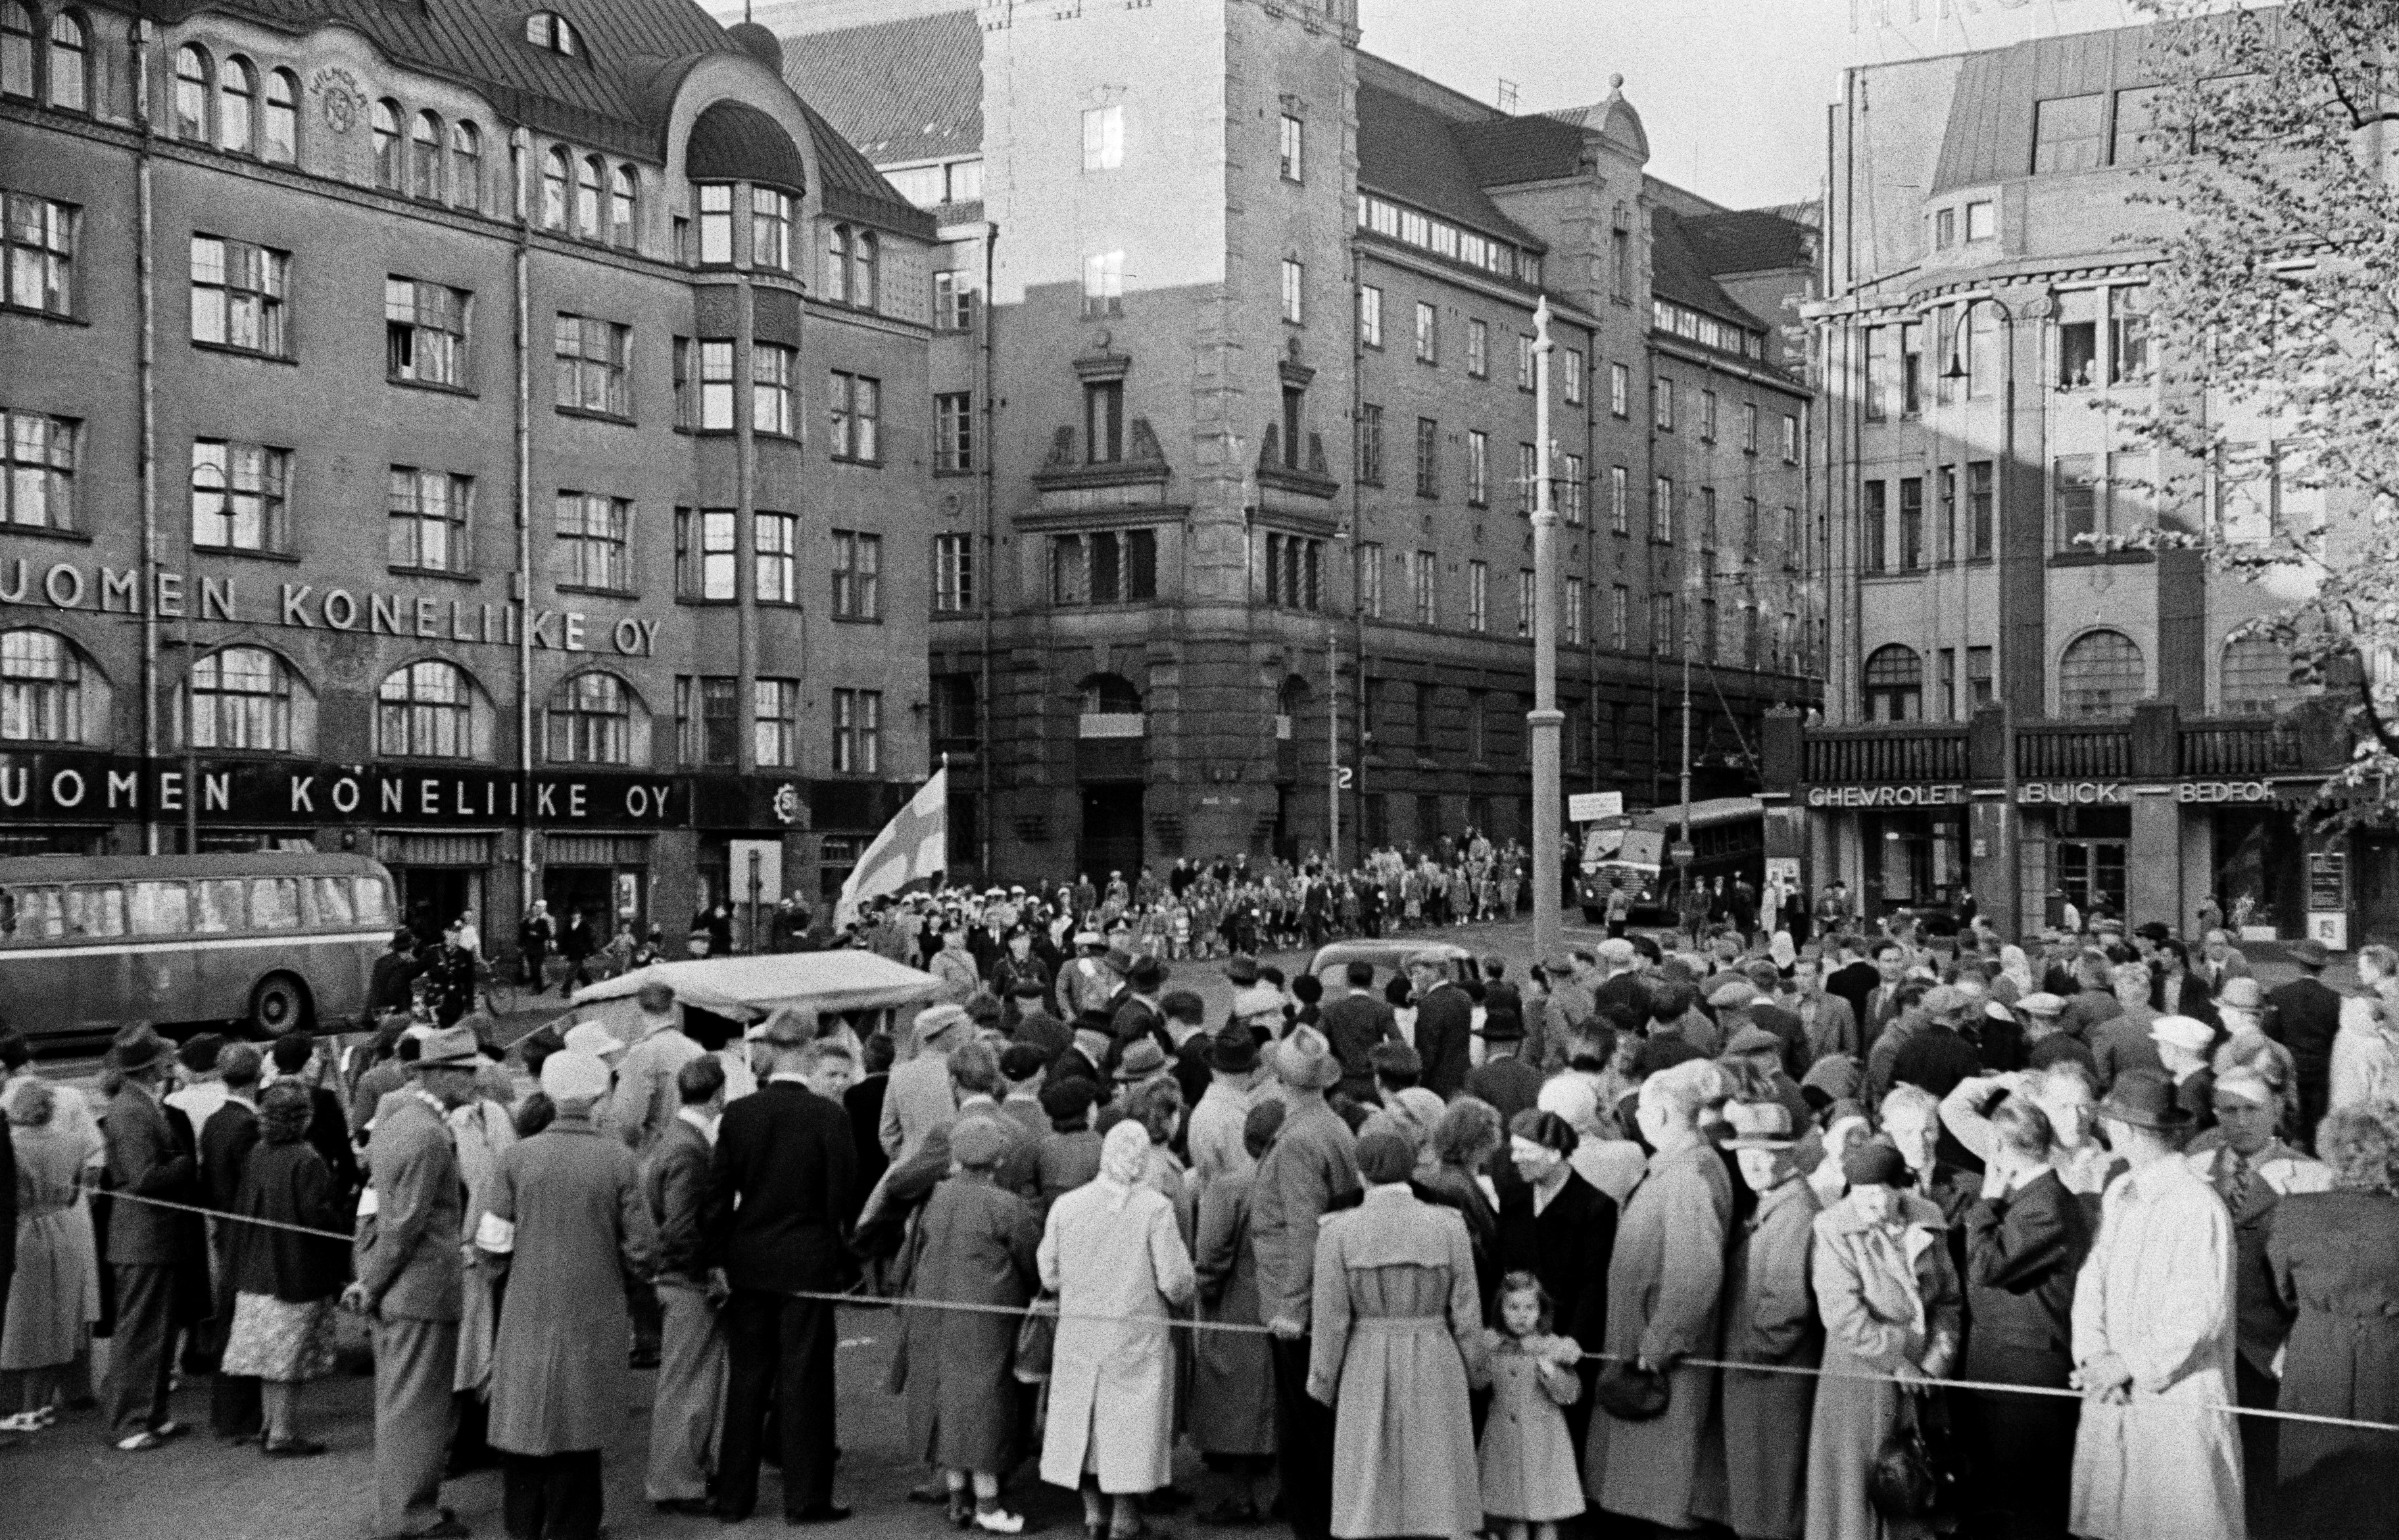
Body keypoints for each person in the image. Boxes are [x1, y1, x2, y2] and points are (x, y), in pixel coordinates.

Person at [2067, 1069, 2244, 1540]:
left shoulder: (2196, 1204)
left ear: (2124, 1130)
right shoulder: (2121, 1192)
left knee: (2175, 1520)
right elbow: (2092, 1282)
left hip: (2176, 1397)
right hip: (2114, 1392)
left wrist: (2127, 1365)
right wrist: (2094, 1358)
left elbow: (2200, 1316)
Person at [705, 1026, 859, 1525]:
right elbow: (843, 1195)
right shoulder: (829, 1116)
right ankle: (806, 1496)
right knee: (805, 1377)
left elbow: (718, 1194)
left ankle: (733, 1496)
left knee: (747, 1379)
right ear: (810, 1055)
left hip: (750, 1256)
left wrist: (716, 1257)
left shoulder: (740, 1114)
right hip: (807, 1258)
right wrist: (841, 1252)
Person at [1307, 1130, 1484, 1540]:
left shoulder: (1338, 1231)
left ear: (1362, 1173)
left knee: (1370, 1466)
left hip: (1367, 1353)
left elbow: (1332, 1319)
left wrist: (1322, 1381)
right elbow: (1467, 1310)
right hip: (1435, 1351)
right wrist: (1478, 1370)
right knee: (1436, 1468)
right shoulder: (1448, 1225)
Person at [1586, 1060, 1735, 1532]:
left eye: (1645, 1109)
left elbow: (1695, 1274)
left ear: (1665, 1114)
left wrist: (1658, 1345)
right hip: (1646, 1352)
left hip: (1659, 1365)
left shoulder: (1688, 1174)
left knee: (1660, 1500)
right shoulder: (1680, 1166)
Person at [350, 1024, 483, 1540]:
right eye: (464, 1071)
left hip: (406, 1287)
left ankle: (402, 1509)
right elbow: (403, 1225)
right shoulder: (428, 1133)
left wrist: (369, 1278)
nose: (474, 1079)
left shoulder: (397, 1118)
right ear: (437, 1074)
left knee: (401, 1403)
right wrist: (373, 1284)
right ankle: (411, 1517)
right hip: (421, 1288)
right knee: (419, 1408)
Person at [1040, 1120, 1197, 1540]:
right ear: (1143, 1159)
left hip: (1080, 1334)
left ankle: (1094, 1517)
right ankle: (1126, 1518)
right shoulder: (1154, 1208)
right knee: (1130, 1424)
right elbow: (1176, 1282)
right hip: (1136, 1335)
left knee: (1082, 1424)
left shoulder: (1067, 1206)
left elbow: (1049, 1275)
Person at [1805, 1137, 1964, 1540]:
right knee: (1857, 1491)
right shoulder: (1834, 1228)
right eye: (1861, 1195)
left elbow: (1948, 1301)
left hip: (1923, 1380)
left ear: (1900, 1189)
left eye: (1880, 1194)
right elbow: (1842, 1314)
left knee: (1916, 1478)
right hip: (1861, 1378)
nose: (1871, 1205)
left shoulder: (1928, 1219)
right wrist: (1896, 1361)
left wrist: (1934, 1363)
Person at [896, 1115, 1040, 1534]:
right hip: (986, 1319)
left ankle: (958, 1496)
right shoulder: (1006, 1205)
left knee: (942, 1400)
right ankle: (988, 1503)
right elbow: (1030, 1264)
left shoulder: (934, 1197)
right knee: (984, 1406)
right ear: (997, 1157)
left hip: (933, 1312)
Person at [2262, 1101, 2399, 1540]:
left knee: (2311, 1485)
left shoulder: (2294, 1212)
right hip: (2388, 1356)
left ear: (2328, 1153)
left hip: (2316, 1354)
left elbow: (2279, 1291)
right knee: (2381, 1493)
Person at [1960, 1094, 2093, 1540]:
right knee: (2004, 1506)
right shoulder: (2036, 1198)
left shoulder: (2046, 1205)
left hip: (2027, 1377)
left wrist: (1988, 1201)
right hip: (2004, 1370)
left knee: (2029, 1511)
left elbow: (1986, 1266)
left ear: (1999, 1147)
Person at [1249, 1028, 1361, 1540]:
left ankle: (1314, 1526)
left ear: (1278, 1080)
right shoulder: (1331, 1124)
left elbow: (1305, 1229)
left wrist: (1294, 1306)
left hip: (1298, 1304)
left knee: (1302, 1428)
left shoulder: (1297, 1139)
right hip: (1320, 1297)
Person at [1693, 1101, 1820, 1540]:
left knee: (1769, 1499)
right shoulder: (1776, 1203)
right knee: (1759, 1494)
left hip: (1770, 1376)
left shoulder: (1795, 1211)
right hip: (1758, 1372)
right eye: (1747, 1157)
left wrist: (1750, 1354)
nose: (1755, 1165)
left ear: (1788, 1156)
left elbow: (1786, 1306)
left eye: (1768, 1155)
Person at [218, 1081, 347, 1457]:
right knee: (289, 1356)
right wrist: (344, 1221)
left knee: (267, 1358)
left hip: (256, 1266)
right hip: (293, 1268)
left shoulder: (259, 1152)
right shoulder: (306, 1159)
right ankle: (283, 1434)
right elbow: (315, 1216)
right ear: (304, 1119)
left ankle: (270, 1425)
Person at [99, 1024, 198, 1453]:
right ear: (151, 1064)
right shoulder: (132, 1110)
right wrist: (185, 1164)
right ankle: (128, 1422)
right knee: (141, 1331)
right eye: (163, 1056)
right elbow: (143, 1178)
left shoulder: (139, 1103)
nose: (169, 1062)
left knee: (160, 1328)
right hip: (143, 1236)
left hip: (152, 1235)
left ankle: (152, 1414)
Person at [1496, 1110, 1614, 1453]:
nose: (1514, 1159)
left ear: (1555, 1153)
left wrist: (1574, 1339)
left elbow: (1594, 1282)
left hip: (1562, 1338)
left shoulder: (1595, 1206)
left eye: (1524, 1150)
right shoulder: (1514, 1198)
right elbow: (1503, 1271)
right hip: (1517, 1334)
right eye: (1513, 1149)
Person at [1190, 1100, 1283, 1526]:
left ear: (1248, 1141)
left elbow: (1211, 1252)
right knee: (1286, 1396)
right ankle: (1287, 1492)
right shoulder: (1306, 1183)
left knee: (1240, 1401)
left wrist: (1206, 1293)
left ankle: (1242, 1497)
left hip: (1241, 1302)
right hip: (1293, 1300)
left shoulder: (1232, 1187)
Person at [644, 1056, 726, 1516]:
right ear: (718, 1094)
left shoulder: (674, 1139)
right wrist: (706, 1272)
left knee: (686, 1381)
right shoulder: (690, 1149)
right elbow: (681, 1227)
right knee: (690, 1383)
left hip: (675, 1277)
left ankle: (687, 1468)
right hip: (685, 1281)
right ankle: (677, 1480)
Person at [3, 1079, 99, 1431]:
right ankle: (41, 1403)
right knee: (57, 1320)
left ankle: (15, 1407)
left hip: (22, 1232)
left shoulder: (10, 1145)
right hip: (62, 1231)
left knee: (18, 1324)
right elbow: (75, 1194)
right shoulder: (72, 1143)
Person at [1478, 1272, 1584, 1540]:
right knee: (1514, 1519)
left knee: (1546, 1517)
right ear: (1500, 1309)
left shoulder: (1551, 1346)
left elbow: (1571, 1394)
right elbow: (1477, 1382)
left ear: (1540, 1310)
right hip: (1504, 1443)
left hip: (1545, 1444)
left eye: (1530, 1307)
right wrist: (1481, 1352)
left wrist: (1547, 1364)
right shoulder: (1492, 1345)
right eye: (1513, 1307)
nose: (1522, 1315)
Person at [608, 983, 700, 1156]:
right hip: (692, 1147)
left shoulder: (642, 1053)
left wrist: (637, 1149)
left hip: (655, 1152)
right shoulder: (697, 1051)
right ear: (673, 1007)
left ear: (639, 1009)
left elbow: (627, 1121)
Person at [2266, 938, 2342, 1146]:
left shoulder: (2280, 994)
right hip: (2322, 1068)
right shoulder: (2335, 998)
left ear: (2298, 964)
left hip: (2288, 1066)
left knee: (2287, 1123)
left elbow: (2270, 1032)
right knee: (2316, 1123)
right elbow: (2337, 1035)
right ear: (2322, 968)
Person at [1408, 953, 1474, 1099]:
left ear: (1435, 973)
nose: (1413, 978)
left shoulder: (1430, 1004)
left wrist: (1419, 1084)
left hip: (1437, 1083)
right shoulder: (1463, 997)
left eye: (1417, 973)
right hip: (1463, 1076)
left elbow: (1427, 1050)